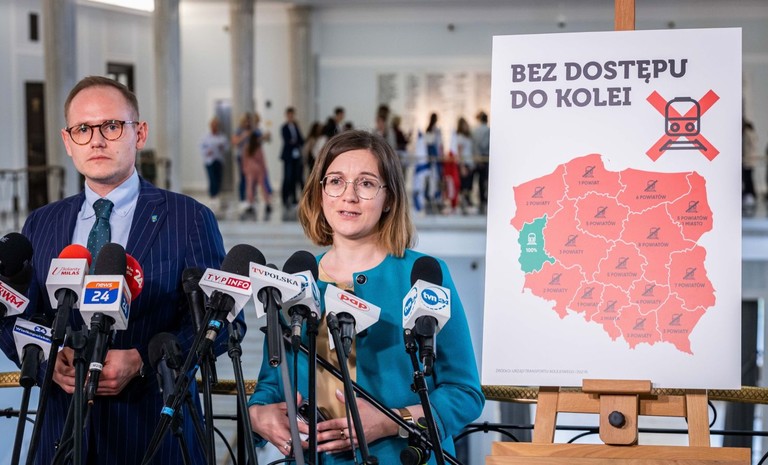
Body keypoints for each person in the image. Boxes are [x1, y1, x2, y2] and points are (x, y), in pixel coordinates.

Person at [0, 75, 235, 464]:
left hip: (153, 436)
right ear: (67, 142)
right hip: (59, 436)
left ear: (139, 134)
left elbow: (220, 322)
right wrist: (45, 362)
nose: (96, 140)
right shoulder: (41, 223)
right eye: (83, 129)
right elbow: (12, 316)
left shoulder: (188, 218)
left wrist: (143, 359)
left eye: (111, 126)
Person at [247, 130, 484, 463]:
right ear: (320, 193)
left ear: (389, 199)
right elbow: (272, 383)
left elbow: (464, 392)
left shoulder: (423, 275)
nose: (349, 196)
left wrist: (391, 421)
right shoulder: (297, 280)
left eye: (366, 183)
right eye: (336, 181)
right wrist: (258, 413)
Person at [200, 115, 229, 214]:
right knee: (212, 179)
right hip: (209, 161)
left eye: (216, 125)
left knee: (218, 179)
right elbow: (201, 148)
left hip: (218, 160)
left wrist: (222, 147)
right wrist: (207, 152)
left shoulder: (222, 137)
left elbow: (227, 147)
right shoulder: (205, 137)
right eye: (213, 125)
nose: (214, 127)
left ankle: (216, 196)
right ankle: (212, 197)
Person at [242, 130, 272, 219]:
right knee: (263, 187)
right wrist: (265, 170)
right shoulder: (258, 148)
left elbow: (244, 159)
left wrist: (244, 169)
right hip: (259, 169)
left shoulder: (247, 147)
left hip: (250, 169)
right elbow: (262, 160)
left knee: (250, 187)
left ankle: (250, 204)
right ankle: (267, 204)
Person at [280, 106, 305, 213]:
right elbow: (287, 141)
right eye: (289, 115)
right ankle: (285, 198)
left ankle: (294, 199)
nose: (291, 116)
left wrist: (295, 142)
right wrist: (295, 142)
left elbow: (301, 140)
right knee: (287, 177)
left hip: (296, 155)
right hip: (288, 156)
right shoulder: (284, 127)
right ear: (287, 115)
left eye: (292, 115)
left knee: (295, 177)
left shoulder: (296, 126)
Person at [471, 111, 490, 215]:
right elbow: (487, 144)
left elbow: (474, 146)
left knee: (480, 182)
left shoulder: (475, 130)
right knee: (486, 181)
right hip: (486, 157)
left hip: (478, 159)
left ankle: (481, 202)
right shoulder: (488, 130)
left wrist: (477, 157)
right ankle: (485, 201)